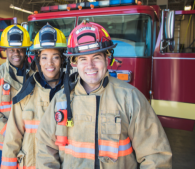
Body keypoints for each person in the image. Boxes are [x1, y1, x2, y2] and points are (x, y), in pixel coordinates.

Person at [36, 21, 172, 169]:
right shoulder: (60, 100)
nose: (90, 66)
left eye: (96, 57)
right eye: (83, 59)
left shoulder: (130, 98)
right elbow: (45, 152)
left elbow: (155, 156)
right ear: (74, 63)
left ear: (107, 59)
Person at [0, 24, 67, 169]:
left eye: (55, 57)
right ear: (37, 61)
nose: (49, 63)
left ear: (62, 59)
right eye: (44, 57)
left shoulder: (73, 94)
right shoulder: (25, 95)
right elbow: (12, 140)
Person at [0, 24, 33, 169]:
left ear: (26, 50)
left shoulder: (34, 75)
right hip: (3, 141)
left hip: (29, 140)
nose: (16, 53)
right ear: (5, 51)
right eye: (11, 50)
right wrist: (11, 132)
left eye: (20, 49)